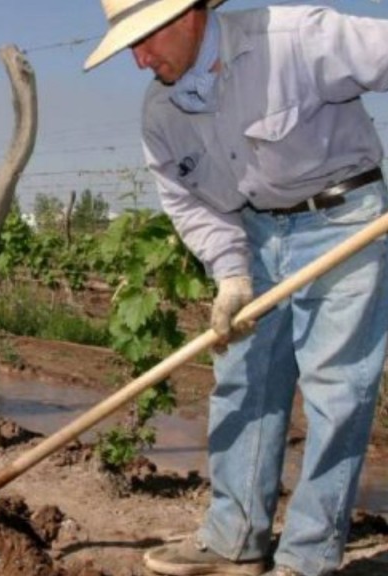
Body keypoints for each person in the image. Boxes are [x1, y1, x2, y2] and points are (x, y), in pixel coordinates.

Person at [84, 1, 388, 575]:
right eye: (128, 45)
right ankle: (234, 540)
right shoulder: (161, 112)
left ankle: (307, 558)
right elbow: (187, 204)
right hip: (253, 234)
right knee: (243, 380)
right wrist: (231, 273)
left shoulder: (295, 38)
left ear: (190, 16)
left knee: (336, 391)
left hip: (343, 220)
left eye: (144, 40)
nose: (138, 59)